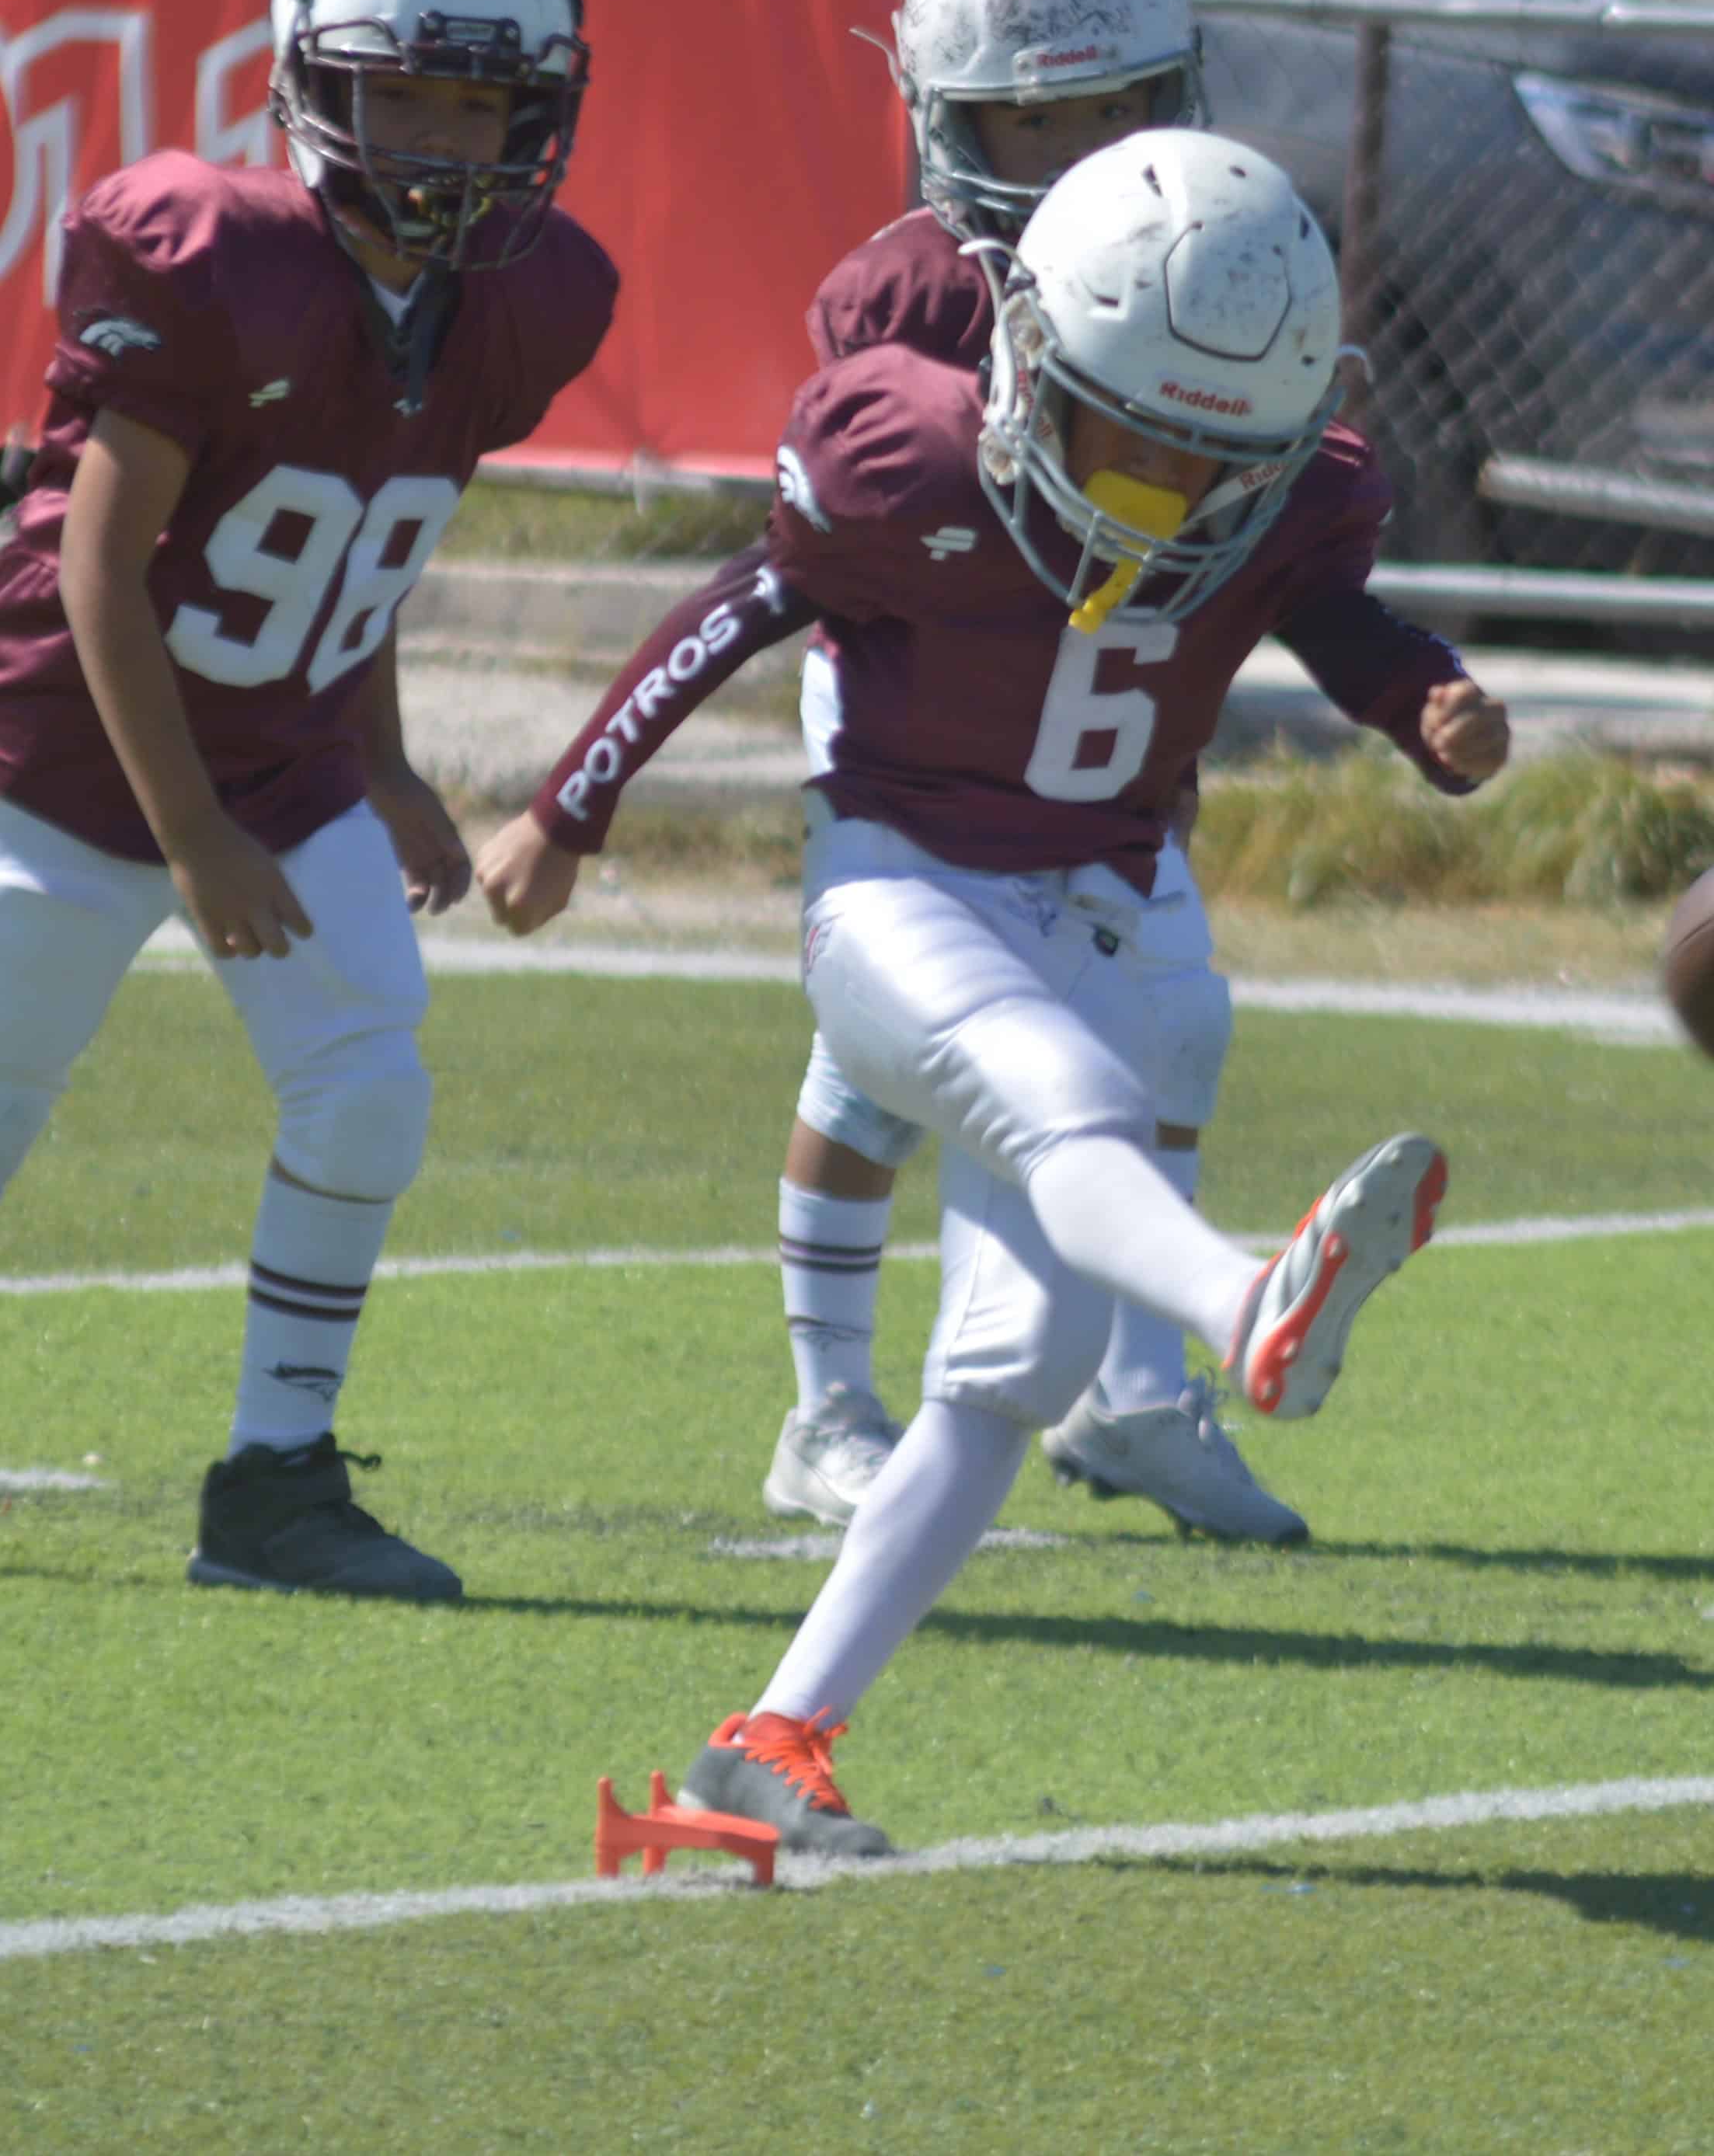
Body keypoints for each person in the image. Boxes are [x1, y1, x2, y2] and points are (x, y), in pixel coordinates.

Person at [475, 127, 1510, 1849]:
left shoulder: (1286, 497)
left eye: (1209, 464)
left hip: (1088, 904)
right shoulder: (909, 465)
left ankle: (768, 1741)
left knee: (1008, 1370)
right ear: (1032, 359)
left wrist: (1433, 703)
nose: (1160, 499)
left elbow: (1343, 623)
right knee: (1075, 1102)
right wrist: (569, 805)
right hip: (897, 888)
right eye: (1129, 441)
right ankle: (1242, 1303)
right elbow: (736, 609)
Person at [0, 0, 618, 1594]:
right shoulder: (218, 256)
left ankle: (276, 1483)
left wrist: (375, 759)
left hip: (287, 749)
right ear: (317, 82)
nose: (452, 139)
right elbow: (102, 562)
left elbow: (364, 528)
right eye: (413, 93)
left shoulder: (518, 303)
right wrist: (193, 835)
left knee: (370, 1083)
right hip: (75, 752)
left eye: (483, 100)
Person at [767, 0, 1308, 1545]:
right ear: (949, 117)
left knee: (1175, 1021)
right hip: (922, 695)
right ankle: (828, 1404)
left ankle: (1136, 1394)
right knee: (874, 1077)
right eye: (1033, 114)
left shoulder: (1190, 251)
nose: (1077, 146)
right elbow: (844, 531)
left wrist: (1164, 725)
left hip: (1103, 713)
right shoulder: (909, 293)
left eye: (1112, 108)